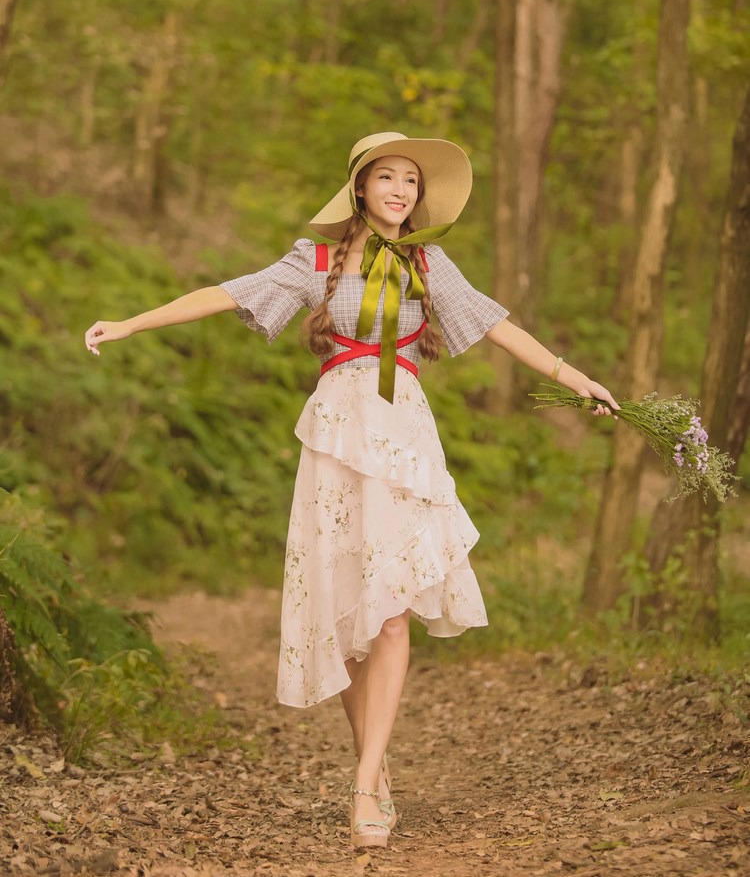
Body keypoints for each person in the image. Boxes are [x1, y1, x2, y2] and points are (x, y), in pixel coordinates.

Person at [84, 131, 619, 850]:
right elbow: (226, 293)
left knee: (392, 613)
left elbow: (498, 326)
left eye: (410, 180)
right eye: (386, 177)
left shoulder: (430, 263)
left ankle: (366, 780)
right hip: (336, 436)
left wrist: (574, 376)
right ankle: (375, 764)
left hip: (403, 436)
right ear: (360, 189)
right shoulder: (314, 263)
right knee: (348, 618)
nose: (400, 189)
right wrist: (130, 323)